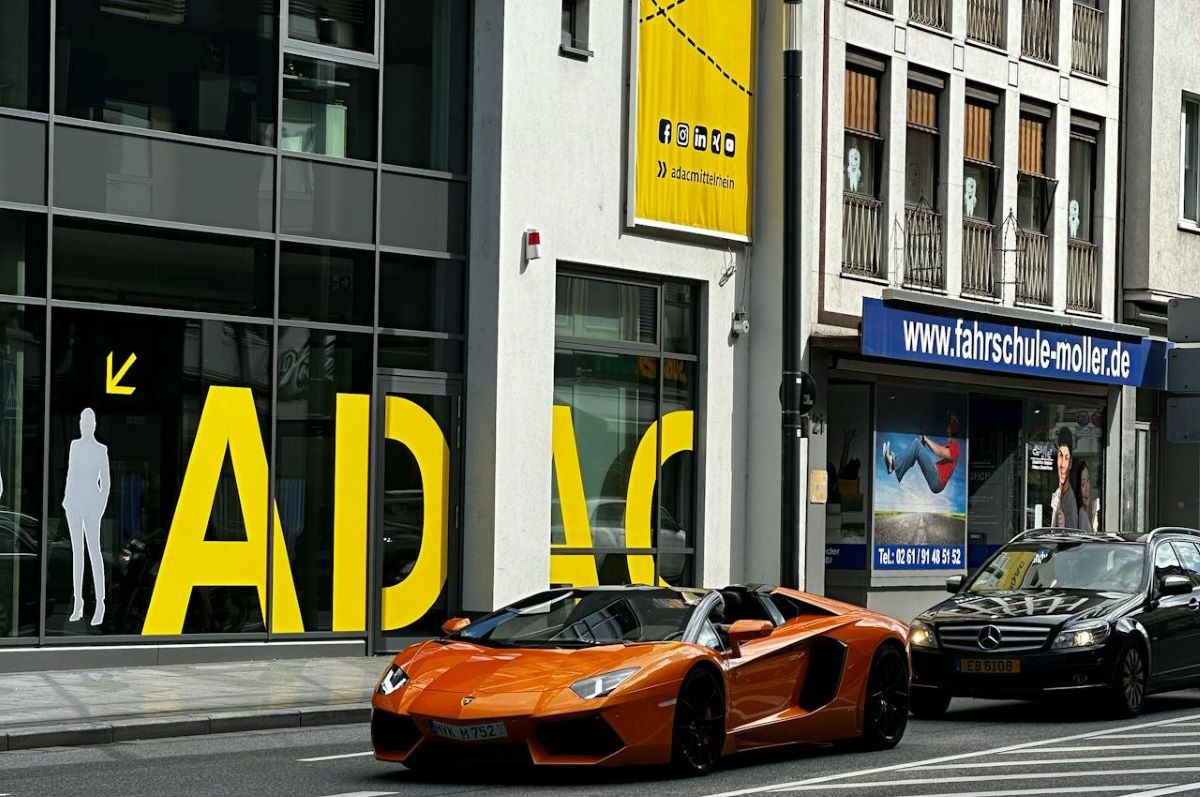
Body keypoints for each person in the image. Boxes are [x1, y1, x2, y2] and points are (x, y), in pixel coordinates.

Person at [64, 408, 111, 626]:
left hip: (91, 504)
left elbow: (106, 483)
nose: (84, 426)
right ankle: (78, 602)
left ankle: (100, 603)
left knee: (94, 552)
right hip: (74, 504)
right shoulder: (74, 446)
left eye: (88, 423)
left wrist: (99, 507)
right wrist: (67, 500)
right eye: (82, 422)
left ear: (94, 425)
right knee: (77, 554)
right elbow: (71, 474)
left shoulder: (101, 450)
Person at [882, 411, 961, 494]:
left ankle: (894, 464)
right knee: (917, 447)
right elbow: (935, 450)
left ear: (951, 429)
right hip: (936, 478)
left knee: (916, 445)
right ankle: (898, 462)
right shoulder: (951, 446)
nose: (947, 429)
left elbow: (939, 451)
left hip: (937, 480)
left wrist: (925, 439)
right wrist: (923, 443)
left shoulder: (955, 447)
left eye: (948, 427)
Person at [1049, 426, 1078, 530]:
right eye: (1061, 456)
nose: (1062, 464)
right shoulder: (1058, 493)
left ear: (1070, 463)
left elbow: (1072, 535)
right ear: (1057, 460)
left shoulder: (1069, 500)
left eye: (1066, 458)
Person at [1074, 459, 1099, 534]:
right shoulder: (1082, 515)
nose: (1086, 488)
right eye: (1082, 484)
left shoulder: (1089, 512)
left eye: (1088, 480)